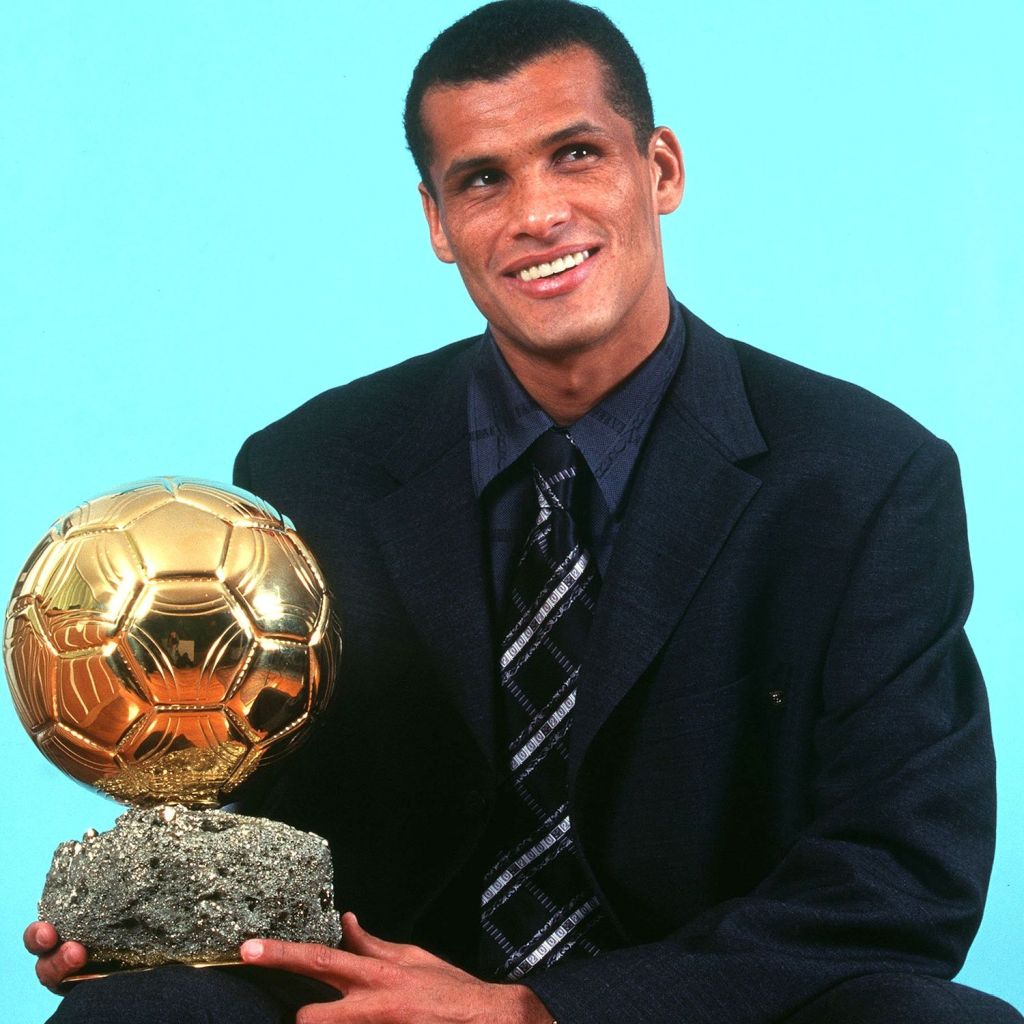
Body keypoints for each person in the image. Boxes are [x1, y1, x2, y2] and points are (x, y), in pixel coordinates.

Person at [24, 1, 1022, 1022]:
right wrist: (155, 928)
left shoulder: (864, 478)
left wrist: (537, 1010)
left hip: (697, 1004)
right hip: (379, 997)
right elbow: (269, 813)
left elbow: (901, 880)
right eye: (483, 179)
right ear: (437, 221)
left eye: (576, 154)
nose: (537, 214)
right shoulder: (315, 465)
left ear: (661, 170)